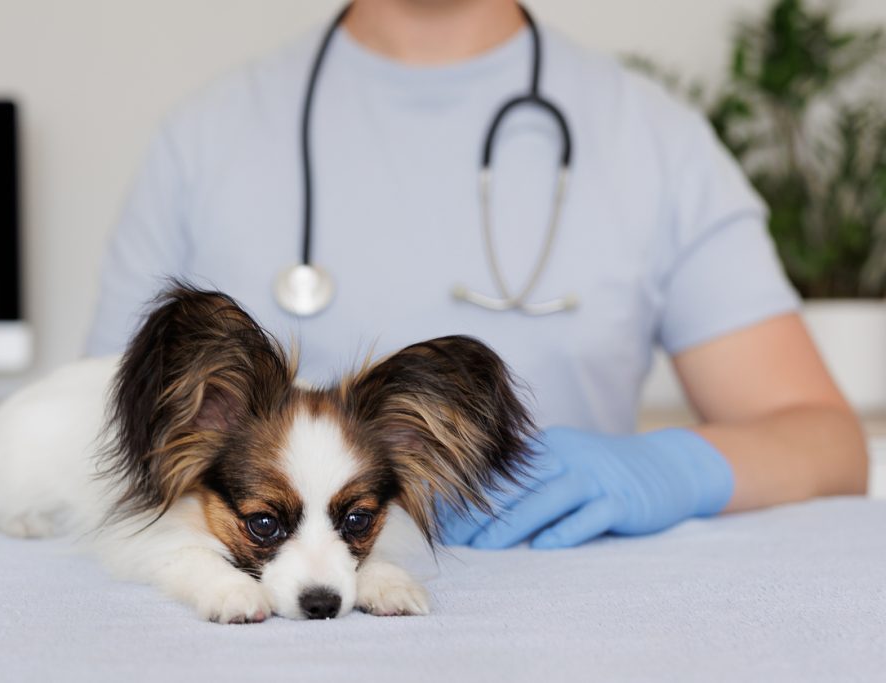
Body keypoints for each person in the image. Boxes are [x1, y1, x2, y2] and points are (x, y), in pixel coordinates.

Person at [85, 0, 868, 549]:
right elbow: (101, 443)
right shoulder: (203, 140)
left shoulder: (655, 138)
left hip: (573, 629)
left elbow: (830, 442)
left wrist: (669, 468)